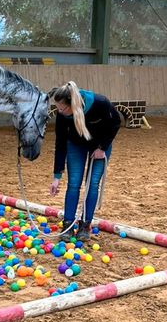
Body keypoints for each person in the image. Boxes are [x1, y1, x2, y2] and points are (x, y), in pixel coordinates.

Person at [48, 81, 122, 241]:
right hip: (76, 145)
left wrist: (102, 148)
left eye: (62, 108)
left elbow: (116, 122)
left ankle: (85, 224)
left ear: (72, 104)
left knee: (92, 183)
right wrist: (57, 176)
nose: (59, 112)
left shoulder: (100, 103)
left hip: (100, 147)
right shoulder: (62, 115)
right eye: (57, 108)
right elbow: (60, 142)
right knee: (74, 183)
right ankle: (68, 224)